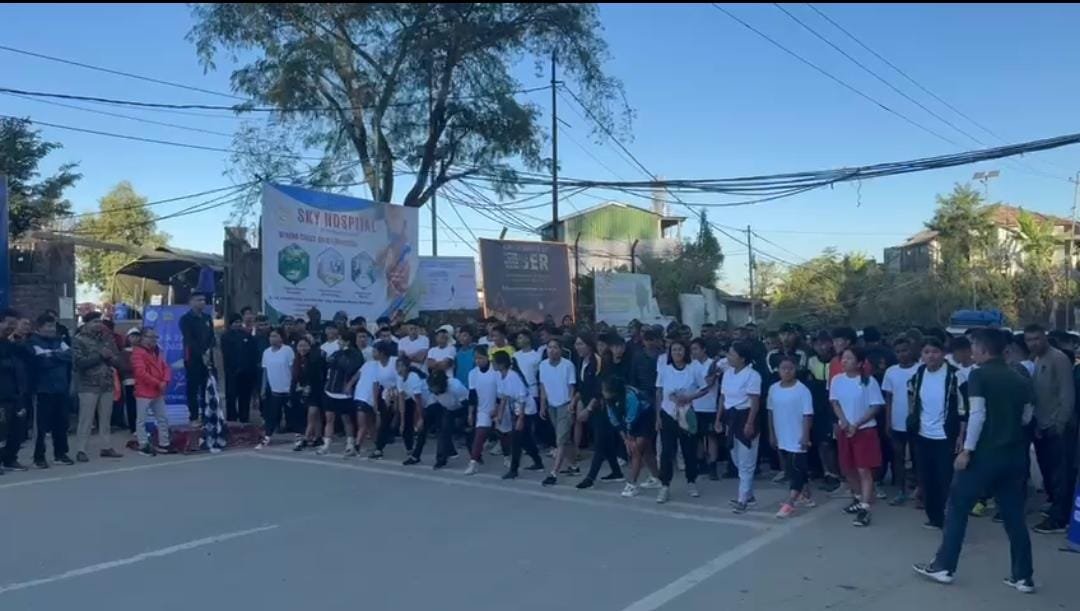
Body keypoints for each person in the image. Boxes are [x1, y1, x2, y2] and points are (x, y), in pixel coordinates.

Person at [914, 329, 1035, 593]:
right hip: (1014, 456)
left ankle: (944, 565)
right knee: (1014, 516)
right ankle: (1023, 576)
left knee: (957, 506)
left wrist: (967, 450)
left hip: (984, 455)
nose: (972, 352)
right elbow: (1027, 416)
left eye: (974, 347)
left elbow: (977, 414)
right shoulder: (1019, 378)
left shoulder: (979, 375)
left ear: (983, 349)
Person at [907, 337, 966, 530]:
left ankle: (952, 518)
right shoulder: (919, 374)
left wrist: (961, 436)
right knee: (927, 478)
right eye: (926, 352)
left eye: (935, 351)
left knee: (946, 479)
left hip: (945, 436)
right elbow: (913, 400)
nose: (931, 356)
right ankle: (934, 517)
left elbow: (963, 409)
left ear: (943, 353)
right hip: (923, 435)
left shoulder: (955, 376)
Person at [1024, 324, 1078, 534]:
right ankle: (1055, 507)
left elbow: (1067, 395)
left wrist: (1060, 423)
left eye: (1037, 338)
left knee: (1060, 475)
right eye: (1029, 340)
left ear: (1045, 337)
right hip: (1042, 426)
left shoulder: (1058, 359)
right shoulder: (1037, 360)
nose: (1033, 343)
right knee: (1048, 472)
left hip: (1058, 428)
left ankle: (1059, 518)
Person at [829, 347, 885, 527]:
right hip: (845, 430)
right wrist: (844, 421)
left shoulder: (868, 381)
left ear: (860, 363)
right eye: (843, 358)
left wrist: (857, 424)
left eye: (849, 358)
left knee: (863, 469)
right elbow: (835, 402)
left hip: (864, 430)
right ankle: (859, 498)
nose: (844, 361)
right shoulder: (837, 380)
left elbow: (875, 406)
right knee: (847, 468)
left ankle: (865, 508)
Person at [575, 334, 624, 490]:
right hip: (588, 404)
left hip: (601, 407)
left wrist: (588, 408)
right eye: (576, 344)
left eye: (581, 344)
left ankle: (590, 477)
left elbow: (599, 389)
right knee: (606, 442)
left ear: (589, 346)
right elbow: (582, 386)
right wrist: (575, 401)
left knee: (599, 442)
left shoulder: (599, 362)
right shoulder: (580, 362)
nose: (578, 347)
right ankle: (616, 472)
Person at [768, 355, 815, 518]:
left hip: (797, 435)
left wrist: (805, 435)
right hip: (782, 434)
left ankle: (790, 502)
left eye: (790, 368)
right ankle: (806, 495)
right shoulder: (773, 389)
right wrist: (772, 433)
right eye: (783, 368)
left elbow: (808, 414)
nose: (787, 371)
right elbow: (770, 412)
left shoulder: (802, 390)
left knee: (796, 468)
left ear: (796, 369)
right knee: (791, 467)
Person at [72, 312, 122, 462]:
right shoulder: (79, 340)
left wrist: (111, 358)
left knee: (106, 418)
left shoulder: (107, 338)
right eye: (94, 322)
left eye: (99, 322)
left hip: (106, 383)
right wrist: (100, 356)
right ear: (86, 323)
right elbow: (79, 363)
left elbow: (117, 359)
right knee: (86, 419)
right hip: (88, 384)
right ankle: (81, 449)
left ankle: (106, 447)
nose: (98, 325)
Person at [653, 339, 698, 503]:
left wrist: (689, 397)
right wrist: (658, 416)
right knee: (666, 451)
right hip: (668, 414)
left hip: (686, 414)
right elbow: (659, 393)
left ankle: (691, 481)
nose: (677, 353)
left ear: (685, 351)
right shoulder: (665, 370)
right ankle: (665, 485)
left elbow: (704, 388)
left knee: (689, 450)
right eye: (674, 350)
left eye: (680, 349)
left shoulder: (692, 369)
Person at [720, 341, 763, 513]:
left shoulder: (753, 375)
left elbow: (755, 402)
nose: (728, 357)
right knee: (736, 458)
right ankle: (749, 495)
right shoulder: (727, 373)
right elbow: (723, 398)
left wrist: (750, 423)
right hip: (731, 417)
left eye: (732, 354)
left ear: (742, 358)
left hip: (745, 416)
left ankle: (742, 499)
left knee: (746, 460)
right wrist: (719, 419)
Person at [603, 376, 661, 497]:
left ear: (613, 391)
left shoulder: (630, 397)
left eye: (605, 390)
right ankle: (657, 478)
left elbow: (632, 417)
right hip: (629, 420)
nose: (602, 392)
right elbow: (614, 420)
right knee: (647, 450)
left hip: (644, 416)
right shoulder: (608, 400)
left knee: (636, 449)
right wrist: (625, 439)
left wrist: (630, 439)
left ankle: (632, 484)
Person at [29, 314, 74, 468]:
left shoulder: (59, 341)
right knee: (41, 427)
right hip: (43, 390)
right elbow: (41, 362)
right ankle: (39, 457)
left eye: (53, 326)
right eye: (48, 326)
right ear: (39, 327)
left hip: (61, 389)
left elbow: (70, 355)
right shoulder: (33, 342)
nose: (51, 329)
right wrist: (58, 356)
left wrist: (51, 355)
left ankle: (60, 454)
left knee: (61, 423)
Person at [492, 351, 543, 479]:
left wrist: (520, 418)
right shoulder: (500, 376)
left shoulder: (513, 376)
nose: (492, 364)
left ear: (501, 364)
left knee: (516, 440)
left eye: (494, 361)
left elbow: (522, 397)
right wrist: (499, 416)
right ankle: (538, 462)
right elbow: (503, 398)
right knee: (525, 440)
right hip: (516, 409)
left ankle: (513, 470)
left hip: (526, 410)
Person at [882, 336, 920, 505]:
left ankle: (920, 490)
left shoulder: (921, 369)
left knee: (918, 457)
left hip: (916, 423)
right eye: (898, 352)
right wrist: (888, 421)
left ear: (911, 350)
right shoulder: (891, 372)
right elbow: (888, 398)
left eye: (904, 350)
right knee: (898, 458)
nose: (902, 354)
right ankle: (901, 491)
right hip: (897, 422)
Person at [539, 339, 577, 486]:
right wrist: (542, 405)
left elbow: (572, 386)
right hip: (551, 406)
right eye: (549, 347)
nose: (552, 350)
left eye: (555, 347)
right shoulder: (543, 365)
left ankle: (553, 472)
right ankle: (573, 465)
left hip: (565, 405)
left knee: (560, 439)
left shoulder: (568, 365)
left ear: (561, 350)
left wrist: (571, 404)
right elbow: (543, 387)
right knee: (564, 439)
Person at [807, 331, 841, 491]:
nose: (822, 347)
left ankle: (840, 474)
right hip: (817, 403)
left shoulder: (838, 361)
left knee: (835, 441)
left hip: (834, 402)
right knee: (822, 441)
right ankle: (828, 473)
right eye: (818, 343)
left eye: (825, 343)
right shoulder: (811, 361)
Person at [320, 329, 363, 457]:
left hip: (344, 393)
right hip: (330, 391)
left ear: (347, 341)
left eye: (340, 340)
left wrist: (349, 385)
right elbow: (328, 365)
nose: (338, 342)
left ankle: (350, 444)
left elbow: (354, 370)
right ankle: (326, 444)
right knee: (329, 418)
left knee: (346, 419)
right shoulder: (336, 353)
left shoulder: (356, 355)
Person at [131, 327, 172, 456]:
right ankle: (143, 444)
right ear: (143, 338)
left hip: (158, 390)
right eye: (151, 337)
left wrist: (165, 380)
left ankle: (164, 443)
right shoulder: (137, 353)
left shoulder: (157, 351)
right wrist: (158, 382)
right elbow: (140, 373)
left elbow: (166, 367)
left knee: (162, 418)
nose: (154, 339)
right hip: (144, 391)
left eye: (155, 337)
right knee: (141, 420)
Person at [0, 308, 30, 472]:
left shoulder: (12, 343)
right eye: (9, 323)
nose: (11, 327)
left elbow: (29, 356)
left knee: (17, 429)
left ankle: (10, 459)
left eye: (14, 324)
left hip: (16, 392)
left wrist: (18, 341)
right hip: (2, 395)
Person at [689, 338, 722, 481]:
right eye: (692, 350)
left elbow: (710, 382)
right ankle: (701, 463)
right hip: (695, 405)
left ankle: (713, 466)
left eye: (696, 349)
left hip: (710, 406)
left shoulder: (713, 364)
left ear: (703, 349)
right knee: (697, 437)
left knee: (711, 436)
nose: (694, 352)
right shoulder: (691, 365)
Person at [256, 329, 294, 450]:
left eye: (275, 336)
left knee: (293, 415)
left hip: (288, 388)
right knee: (271, 415)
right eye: (271, 336)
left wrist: (293, 386)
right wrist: (263, 388)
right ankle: (267, 437)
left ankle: (300, 437)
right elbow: (265, 371)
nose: (272, 338)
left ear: (281, 338)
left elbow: (292, 369)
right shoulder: (266, 352)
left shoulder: (287, 350)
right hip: (274, 389)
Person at [179, 292, 215, 423]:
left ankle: (206, 415)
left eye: (204, 300)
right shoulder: (185, 319)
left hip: (207, 358)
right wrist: (201, 353)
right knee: (193, 388)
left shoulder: (207, 317)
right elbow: (189, 340)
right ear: (191, 302)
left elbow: (212, 337)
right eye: (199, 300)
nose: (202, 302)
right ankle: (193, 416)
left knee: (207, 387)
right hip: (192, 358)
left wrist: (208, 350)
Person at [465, 346, 500, 475]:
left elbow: (501, 392)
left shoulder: (495, 371)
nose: (478, 361)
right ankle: (473, 462)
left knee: (505, 435)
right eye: (476, 358)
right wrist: (470, 413)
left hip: (499, 407)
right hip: (483, 409)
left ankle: (508, 457)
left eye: (480, 358)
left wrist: (497, 409)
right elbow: (472, 395)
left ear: (487, 357)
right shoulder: (472, 373)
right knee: (479, 434)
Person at [428, 369, 469, 469]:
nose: (433, 389)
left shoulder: (455, 386)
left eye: (435, 387)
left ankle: (475, 457)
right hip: (448, 409)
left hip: (463, 408)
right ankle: (441, 460)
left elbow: (467, 403)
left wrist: (465, 419)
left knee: (468, 433)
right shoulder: (433, 390)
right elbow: (434, 404)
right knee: (443, 432)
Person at [221, 313, 258, 423]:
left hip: (246, 372)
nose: (237, 324)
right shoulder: (226, 336)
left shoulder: (247, 335)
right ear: (230, 324)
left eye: (239, 322)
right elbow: (226, 355)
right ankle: (231, 418)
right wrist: (231, 368)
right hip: (232, 372)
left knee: (245, 396)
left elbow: (253, 353)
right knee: (231, 396)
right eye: (235, 322)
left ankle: (244, 418)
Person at [292, 337, 326, 451]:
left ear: (310, 346)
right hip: (305, 391)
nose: (302, 348)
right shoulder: (298, 360)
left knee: (311, 415)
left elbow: (317, 376)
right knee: (316, 415)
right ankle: (318, 437)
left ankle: (306, 439)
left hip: (316, 390)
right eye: (300, 346)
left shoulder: (314, 359)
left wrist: (308, 386)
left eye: (305, 345)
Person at [367, 340, 400, 460]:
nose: (373, 354)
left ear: (382, 353)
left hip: (400, 393)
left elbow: (400, 380)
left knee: (403, 422)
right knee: (384, 422)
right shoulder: (376, 365)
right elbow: (375, 384)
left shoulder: (394, 361)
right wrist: (375, 402)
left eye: (375, 352)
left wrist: (396, 398)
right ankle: (379, 448)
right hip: (386, 395)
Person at [399, 357, 430, 465]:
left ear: (407, 367)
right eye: (397, 366)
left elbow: (418, 399)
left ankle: (415, 456)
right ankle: (415, 456)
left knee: (424, 430)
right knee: (424, 431)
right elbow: (402, 399)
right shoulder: (400, 379)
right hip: (423, 404)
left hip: (431, 403)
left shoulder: (414, 378)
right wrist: (402, 421)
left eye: (401, 366)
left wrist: (420, 417)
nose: (399, 369)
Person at [116, 328, 139, 434]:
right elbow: (123, 367)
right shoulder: (124, 352)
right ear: (128, 338)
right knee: (131, 405)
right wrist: (137, 368)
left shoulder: (143, 350)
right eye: (133, 336)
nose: (135, 339)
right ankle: (133, 427)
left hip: (142, 381)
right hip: (129, 381)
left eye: (137, 336)